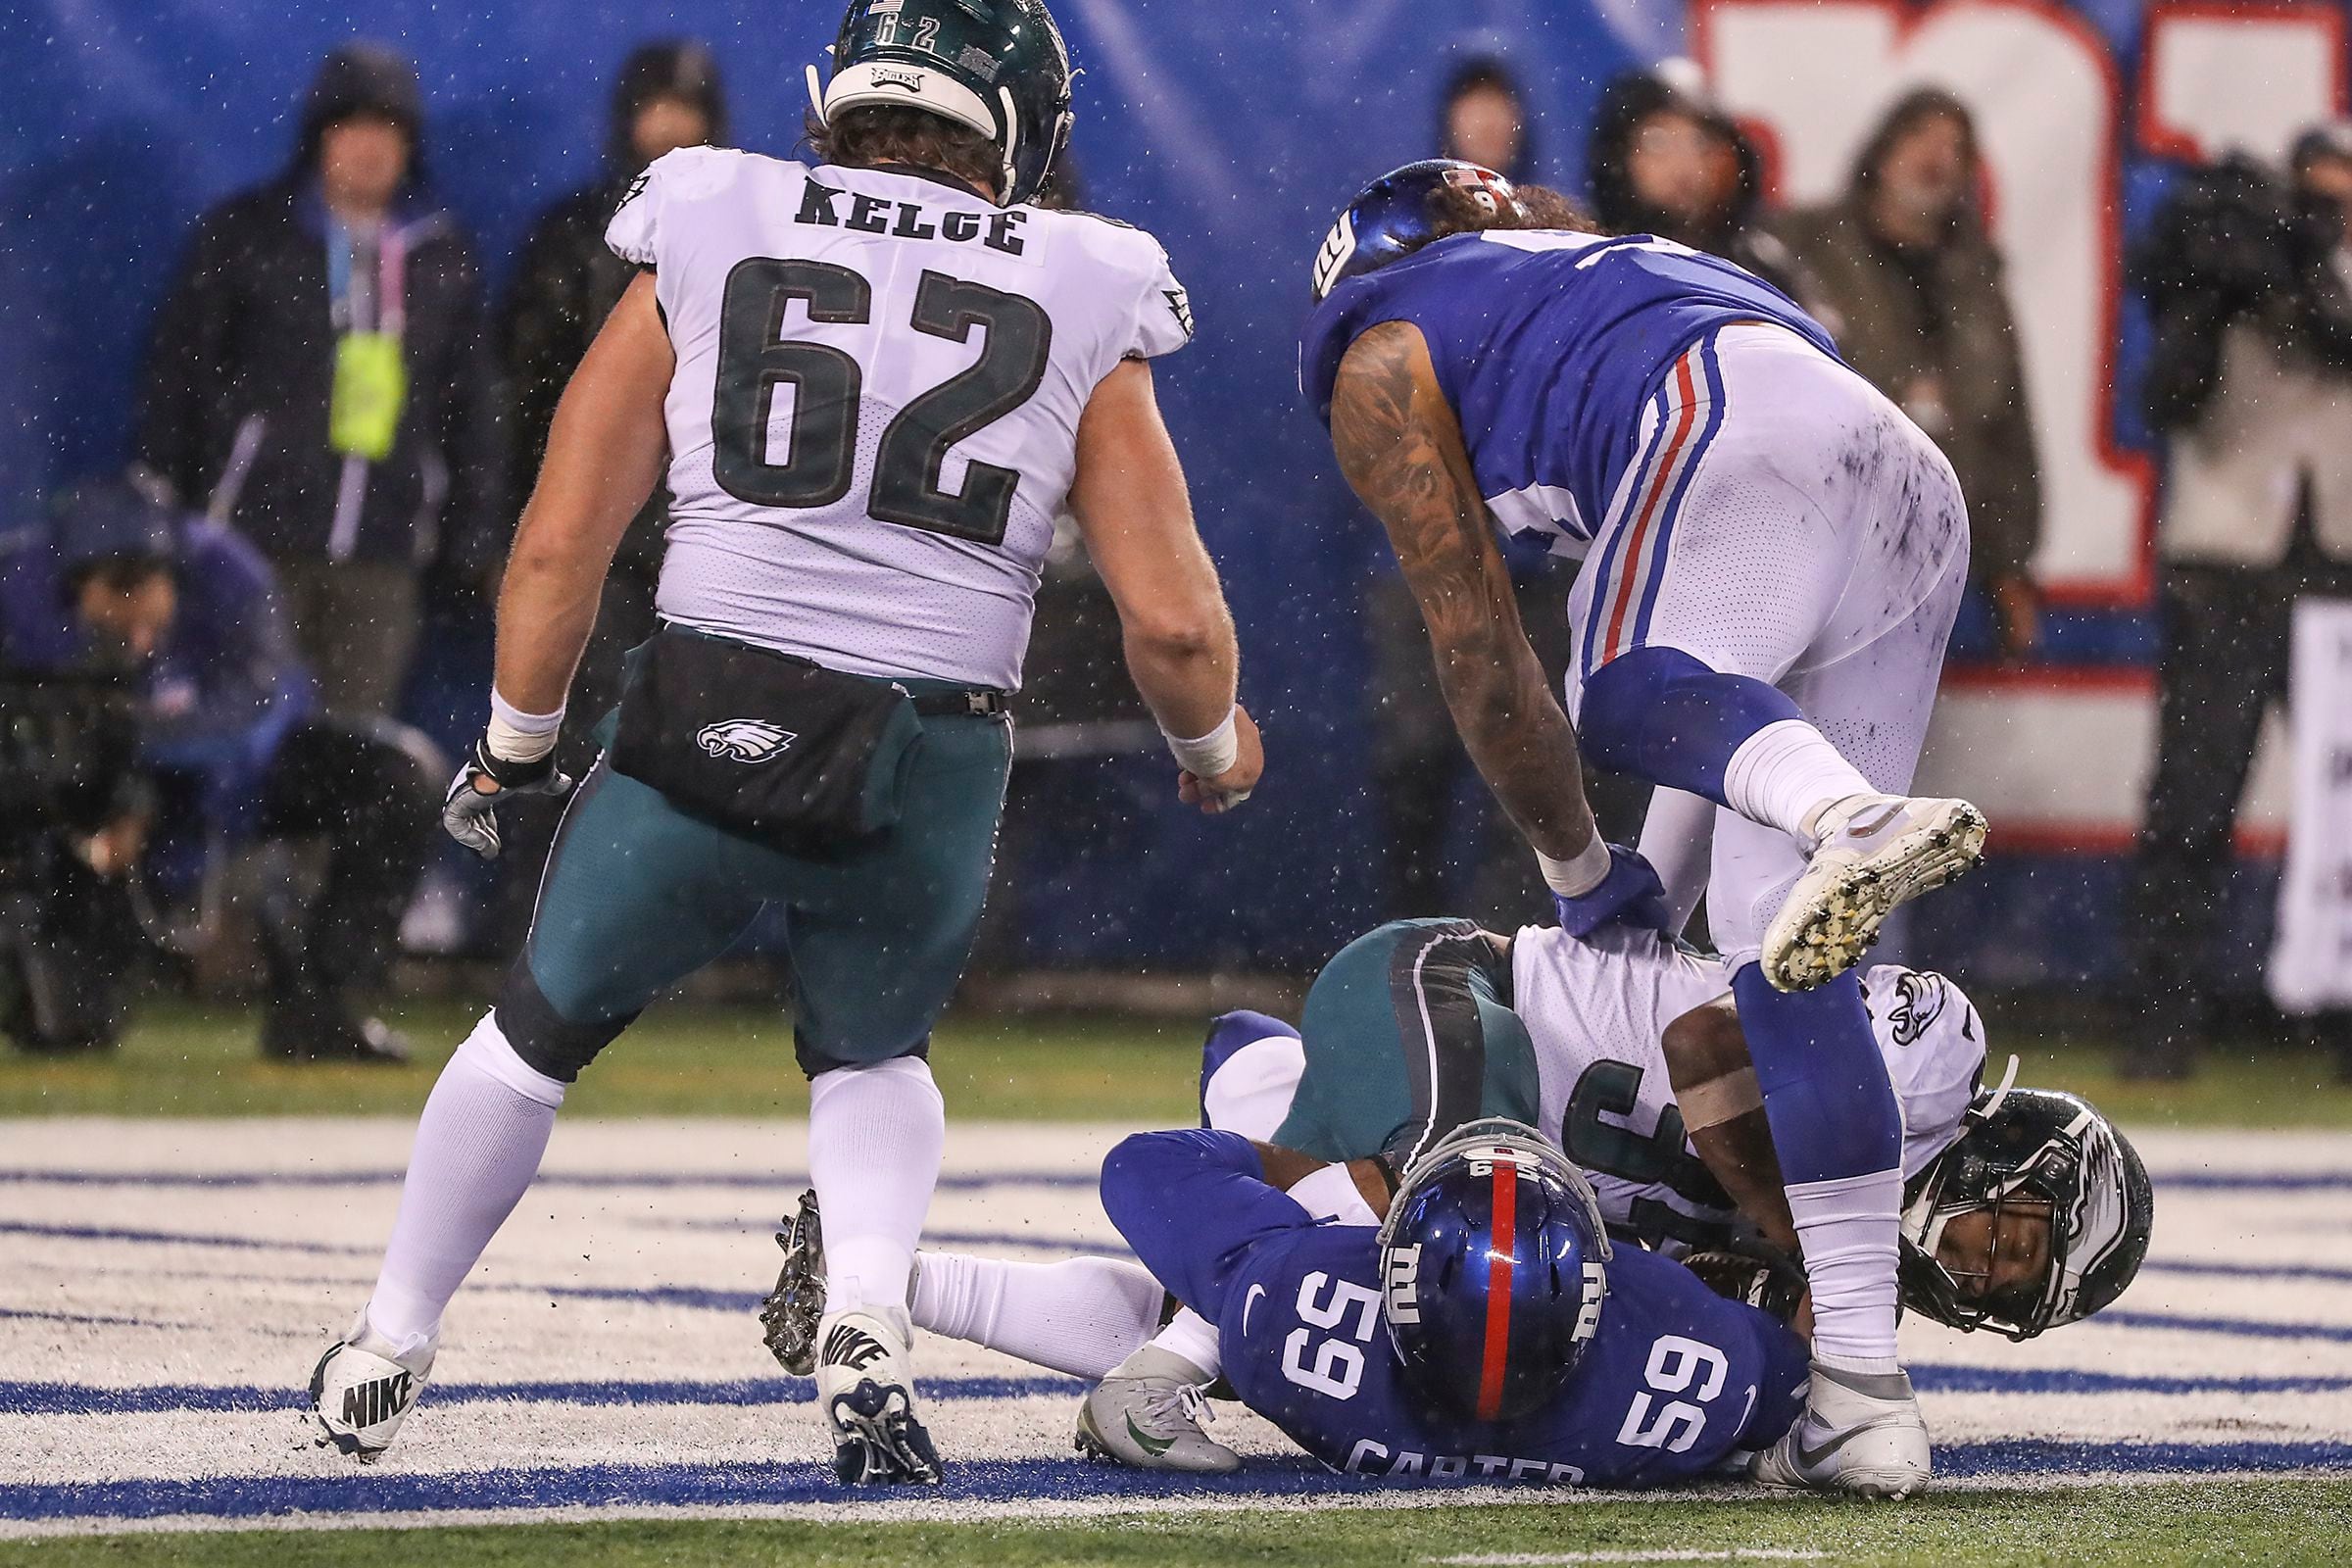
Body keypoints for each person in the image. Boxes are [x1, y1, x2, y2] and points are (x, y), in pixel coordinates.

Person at [309, 0, 1261, 1486]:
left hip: (701, 713)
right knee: (875, 1051)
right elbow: (1178, 625)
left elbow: (564, 538)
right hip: (931, 752)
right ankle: (865, 1333)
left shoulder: (716, 203)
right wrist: (1211, 751)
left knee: (534, 1038)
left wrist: (513, 742)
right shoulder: (1088, 275)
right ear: (1019, 123)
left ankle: (386, 1344)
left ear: (843, 92)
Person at [1298, 159, 1988, 1496]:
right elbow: (1736, 666)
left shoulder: (1380, 348)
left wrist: (1573, 865)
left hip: (1733, 426)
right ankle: (1861, 1388)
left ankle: (1847, 815)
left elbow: (1484, 659)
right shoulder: (1617, 268)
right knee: (1781, 947)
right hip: (1900, 469)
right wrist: (1641, 890)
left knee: (1607, 685)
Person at [1059, 917, 2149, 1471]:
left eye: (2005, 1285)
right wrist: (1795, 1230)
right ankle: (1151, 1387)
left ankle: (911, 1293)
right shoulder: (1927, 1066)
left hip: (1482, 1152)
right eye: (2010, 1235)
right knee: (1457, 1186)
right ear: (2011, 1154)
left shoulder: (1836, 1294)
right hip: (1452, 990)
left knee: (1364, 1301)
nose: (1977, 1264)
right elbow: (1704, 1037)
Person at [765, 1120, 1813, 1490]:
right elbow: (1803, 1367)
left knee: (1256, 1058)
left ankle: (908, 1285)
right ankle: (919, 1289)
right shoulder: (1690, 1375)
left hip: (1319, 1367)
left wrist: (1314, 1164)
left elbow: (1148, 1165)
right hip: (1582, 1391)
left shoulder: (1297, 1298)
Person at [134, 44, 499, 719]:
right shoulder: (246, 235)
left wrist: (471, 537)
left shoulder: (443, 256)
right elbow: (177, 376)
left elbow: (473, 408)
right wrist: (164, 511)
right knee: (243, 739)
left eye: (390, 129)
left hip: (383, 559)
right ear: (317, 136)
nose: (370, 146)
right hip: (251, 548)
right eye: (351, 125)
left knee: (352, 762)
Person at [20, 483, 439, 1061]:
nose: (128, 609)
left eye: (138, 582)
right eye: (111, 586)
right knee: (68, 1028)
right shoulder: (18, 587)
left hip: (225, 788)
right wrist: (87, 794)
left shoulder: (229, 573)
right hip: (82, 814)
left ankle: (322, 1009)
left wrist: (141, 761)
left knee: (396, 779)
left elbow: (254, 711)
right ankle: (46, 983)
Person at [2124, 124, 2352, 1081]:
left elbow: (2335, 336)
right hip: (2228, 558)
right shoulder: (2218, 250)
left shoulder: (2316, 260)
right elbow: (2169, 393)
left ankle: (2338, 1011)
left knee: (2343, 807)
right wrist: (2222, 285)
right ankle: (2162, 1017)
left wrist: (2303, 267)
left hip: (2337, 553)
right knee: (2194, 798)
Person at [492, 41, 731, 946]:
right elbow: (518, 402)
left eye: (687, 107)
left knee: (690, 763)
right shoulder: (573, 236)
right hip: (598, 546)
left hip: (709, 549)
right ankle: (545, 940)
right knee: (564, 746)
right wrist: (518, 539)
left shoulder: (748, 246)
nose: (668, 126)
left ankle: (650, 947)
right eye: (654, 105)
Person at [1775, 89, 2042, 660]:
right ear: (1882, 150)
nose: (1936, 155)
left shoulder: (1976, 277)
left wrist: (2010, 566)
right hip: (1810, 543)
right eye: (1920, 135)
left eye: (1955, 147)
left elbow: (2007, 427)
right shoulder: (1802, 248)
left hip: (1926, 565)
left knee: (1888, 740)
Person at [1585, 67, 1832, 324]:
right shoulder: (1589, 264)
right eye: (1656, 142)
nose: (1684, 163)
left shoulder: (1762, 267)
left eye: (1700, 142)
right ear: (1616, 156)